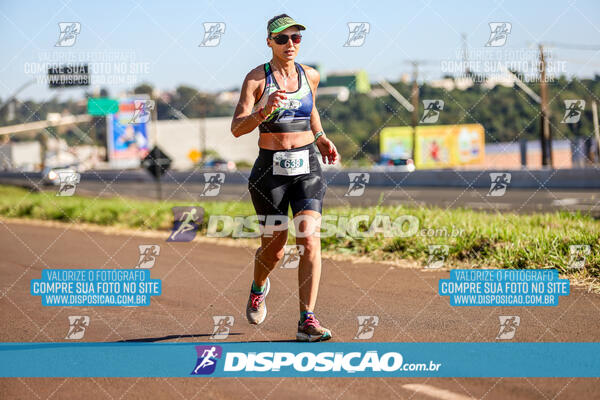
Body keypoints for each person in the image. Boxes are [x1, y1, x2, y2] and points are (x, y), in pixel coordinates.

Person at [231, 14, 339, 342]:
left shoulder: (311, 75)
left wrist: (319, 136)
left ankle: (307, 320)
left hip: (307, 166)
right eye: (282, 39)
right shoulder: (256, 80)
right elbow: (237, 128)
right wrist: (264, 110)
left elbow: (311, 109)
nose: (290, 44)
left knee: (309, 239)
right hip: (270, 171)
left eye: (296, 38)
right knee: (274, 249)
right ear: (269, 42)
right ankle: (258, 286)